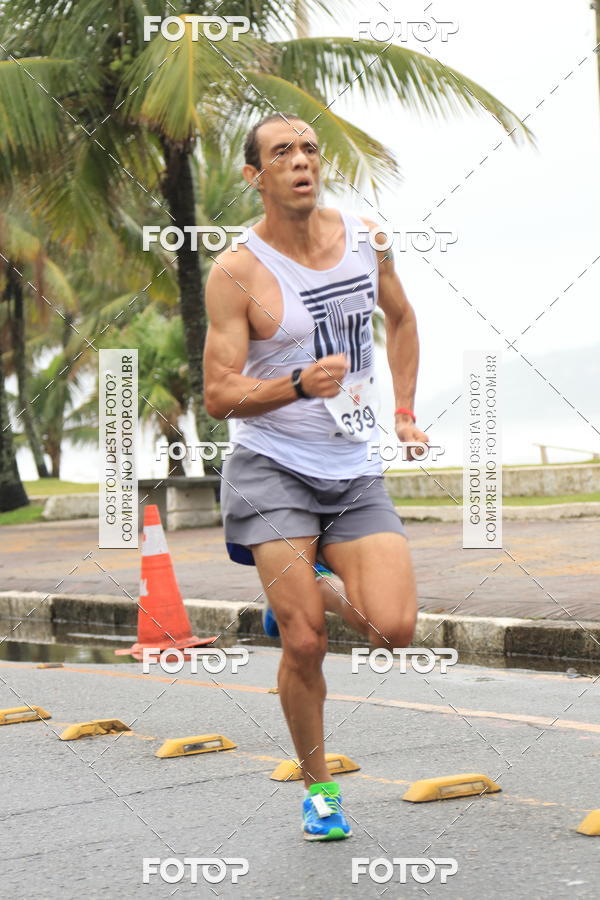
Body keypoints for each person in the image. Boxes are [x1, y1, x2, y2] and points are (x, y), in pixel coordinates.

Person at [203, 112, 429, 841]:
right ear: (255, 176)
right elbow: (219, 394)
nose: (301, 160)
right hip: (271, 464)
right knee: (305, 643)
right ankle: (319, 790)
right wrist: (298, 383)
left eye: (308, 148)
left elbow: (401, 319)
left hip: (352, 466)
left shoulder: (367, 239)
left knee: (394, 629)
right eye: (282, 152)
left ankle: (304, 588)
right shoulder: (237, 271)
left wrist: (404, 411)